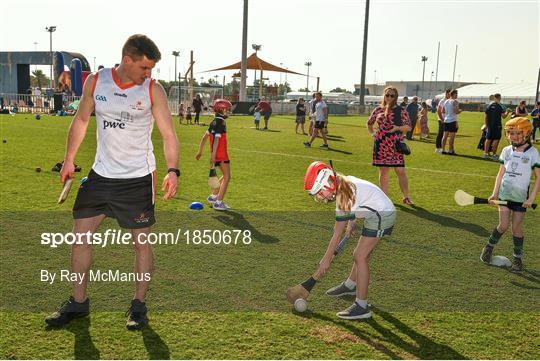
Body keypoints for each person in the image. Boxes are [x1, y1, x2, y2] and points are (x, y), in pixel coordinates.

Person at [45, 34, 180, 330]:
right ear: (127, 60)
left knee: (141, 243)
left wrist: (173, 170)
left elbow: (169, 134)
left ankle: (138, 306)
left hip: (137, 179)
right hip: (100, 175)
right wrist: (68, 159)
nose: (149, 74)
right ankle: (79, 302)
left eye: (152, 69)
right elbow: (81, 120)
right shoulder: (96, 81)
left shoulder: (153, 90)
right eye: (145, 68)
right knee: (81, 236)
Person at [303, 161, 396, 319]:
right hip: (375, 212)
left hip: (382, 215)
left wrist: (325, 260)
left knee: (360, 256)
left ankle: (362, 306)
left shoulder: (344, 194)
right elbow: (358, 201)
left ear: (327, 184)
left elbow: (337, 234)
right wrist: (352, 222)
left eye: (319, 192)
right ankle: (350, 286)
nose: (320, 197)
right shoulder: (341, 182)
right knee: (358, 253)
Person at [480, 117, 540, 273]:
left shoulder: (533, 153)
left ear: (527, 133)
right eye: (511, 133)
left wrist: (531, 198)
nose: (513, 136)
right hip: (504, 195)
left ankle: (517, 260)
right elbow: (500, 174)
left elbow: (538, 177)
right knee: (503, 225)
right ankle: (488, 248)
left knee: (516, 228)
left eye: (517, 133)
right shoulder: (506, 151)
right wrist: (494, 194)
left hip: (521, 198)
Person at [367, 86, 413, 205]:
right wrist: (373, 134)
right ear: (384, 95)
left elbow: (408, 127)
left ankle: (406, 197)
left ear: (396, 97)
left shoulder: (401, 110)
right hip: (381, 144)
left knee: (400, 170)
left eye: (392, 95)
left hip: (395, 144)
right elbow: (369, 123)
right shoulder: (378, 109)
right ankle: (384, 198)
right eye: (387, 95)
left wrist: (397, 128)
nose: (389, 97)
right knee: (384, 171)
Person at [195, 99, 233, 211]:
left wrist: (200, 152)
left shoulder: (213, 122)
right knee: (227, 176)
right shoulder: (221, 122)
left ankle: (213, 197)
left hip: (217, 154)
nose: (229, 111)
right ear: (221, 110)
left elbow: (204, 138)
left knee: (225, 175)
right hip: (221, 154)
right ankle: (218, 202)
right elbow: (216, 140)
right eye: (228, 109)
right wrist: (213, 155)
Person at [484, 93, 511, 160]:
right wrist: (507, 112)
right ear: (498, 97)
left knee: (488, 139)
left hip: (489, 126)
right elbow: (504, 116)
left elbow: (486, 116)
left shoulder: (489, 105)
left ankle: (486, 154)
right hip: (497, 125)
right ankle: (494, 154)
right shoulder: (499, 106)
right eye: (500, 97)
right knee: (496, 140)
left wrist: (486, 125)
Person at [441, 89, 461, 155]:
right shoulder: (455, 101)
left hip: (446, 120)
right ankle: (450, 150)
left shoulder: (446, 101)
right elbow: (456, 111)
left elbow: (442, 111)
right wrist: (460, 111)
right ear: (453, 94)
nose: (457, 95)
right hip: (452, 120)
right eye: (456, 94)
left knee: (445, 136)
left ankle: (443, 149)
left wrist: (448, 112)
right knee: (452, 137)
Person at [435, 89, 451, 154]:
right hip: (441, 120)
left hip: (447, 120)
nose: (449, 95)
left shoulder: (449, 101)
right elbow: (438, 111)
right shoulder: (442, 101)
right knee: (440, 134)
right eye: (448, 94)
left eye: (450, 94)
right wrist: (442, 119)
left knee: (445, 134)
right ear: (446, 94)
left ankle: (442, 148)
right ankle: (438, 148)